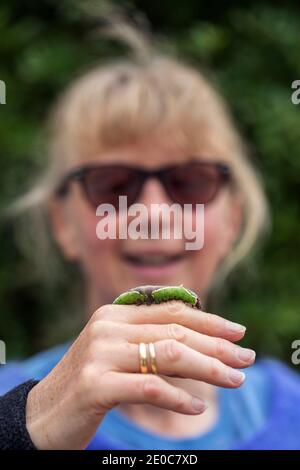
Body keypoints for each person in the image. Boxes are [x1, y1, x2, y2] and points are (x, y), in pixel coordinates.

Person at [1, 22, 300, 450]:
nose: (153, 213)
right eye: (112, 185)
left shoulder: (293, 411)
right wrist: (17, 431)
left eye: (192, 182)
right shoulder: (9, 403)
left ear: (233, 218)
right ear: (63, 223)